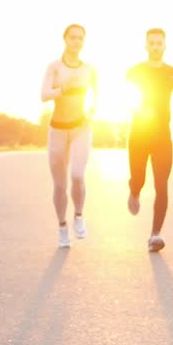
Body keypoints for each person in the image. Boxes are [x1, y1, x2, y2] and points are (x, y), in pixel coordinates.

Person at [126, 28, 173, 253]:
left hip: (163, 135)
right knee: (140, 179)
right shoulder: (136, 71)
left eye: (159, 43)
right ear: (146, 46)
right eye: (151, 43)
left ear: (165, 46)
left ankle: (155, 234)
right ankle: (134, 189)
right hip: (139, 134)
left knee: (161, 185)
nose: (155, 47)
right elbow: (123, 90)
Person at [41, 24, 97, 248]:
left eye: (80, 38)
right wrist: (63, 89)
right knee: (59, 184)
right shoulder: (54, 67)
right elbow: (44, 95)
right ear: (65, 40)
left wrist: (93, 111)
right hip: (57, 129)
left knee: (77, 175)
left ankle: (79, 216)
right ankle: (63, 226)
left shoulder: (90, 69)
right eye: (73, 38)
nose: (76, 42)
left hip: (80, 128)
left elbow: (99, 95)